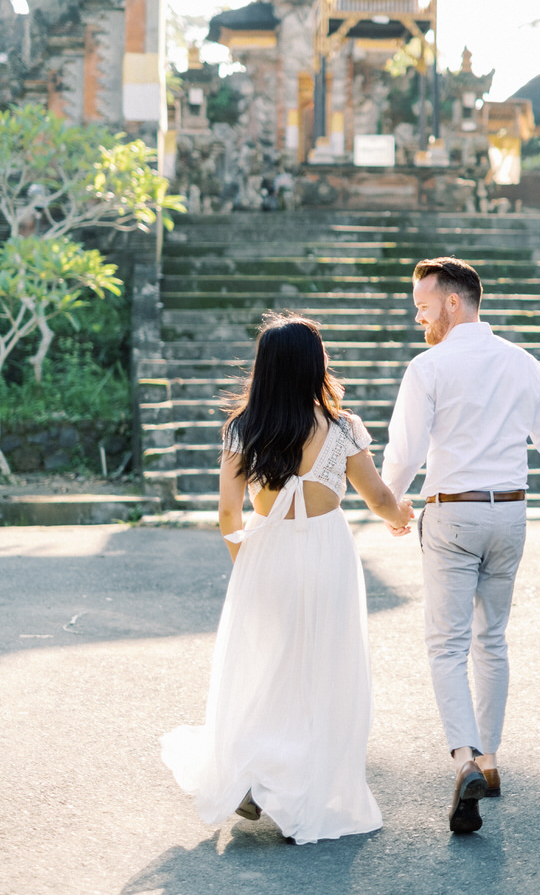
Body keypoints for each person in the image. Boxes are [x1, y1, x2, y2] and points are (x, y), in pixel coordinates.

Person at [381, 257, 540, 835]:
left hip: (452, 516)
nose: (419, 317)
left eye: (423, 305)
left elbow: (406, 452)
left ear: (453, 302)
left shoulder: (428, 367)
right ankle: (488, 759)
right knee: (492, 640)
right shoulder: (523, 363)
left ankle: (463, 759)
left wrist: (390, 504)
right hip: (510, 514)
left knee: (446, 646)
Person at [161, 313, 413, 845]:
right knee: (323, 667)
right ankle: (302, 789)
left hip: (266, 552)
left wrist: (248, 567)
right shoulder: (342, 428)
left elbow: (229, 515)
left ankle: (254, 772)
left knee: (266, 666)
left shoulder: (240, 430)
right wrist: (400, 518)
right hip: (326, 551)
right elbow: (380, 499)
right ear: (313, 364)